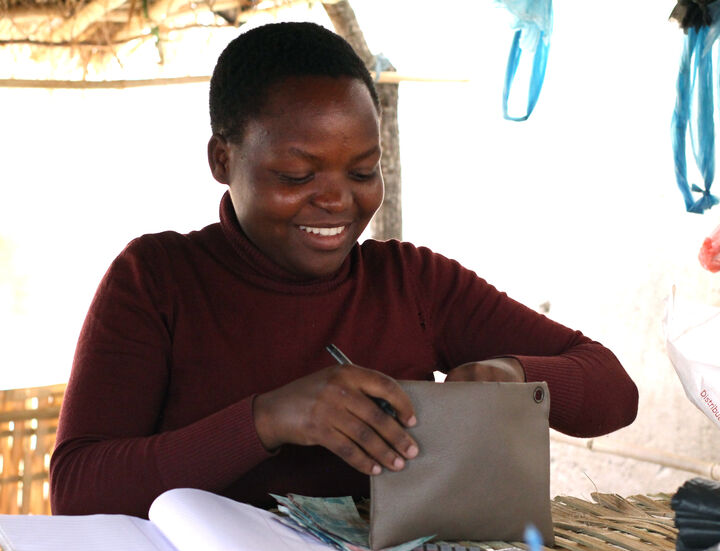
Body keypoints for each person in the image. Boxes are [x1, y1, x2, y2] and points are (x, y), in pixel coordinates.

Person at [50, 21, 638, 517]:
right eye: (297, 176)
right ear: (222, 159)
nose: (337, 201)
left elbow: (613, 388)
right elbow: (77, 489)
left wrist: (513, 376)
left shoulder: (413, 283)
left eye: (361, 172)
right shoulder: (157, 279)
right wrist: (268, 419)